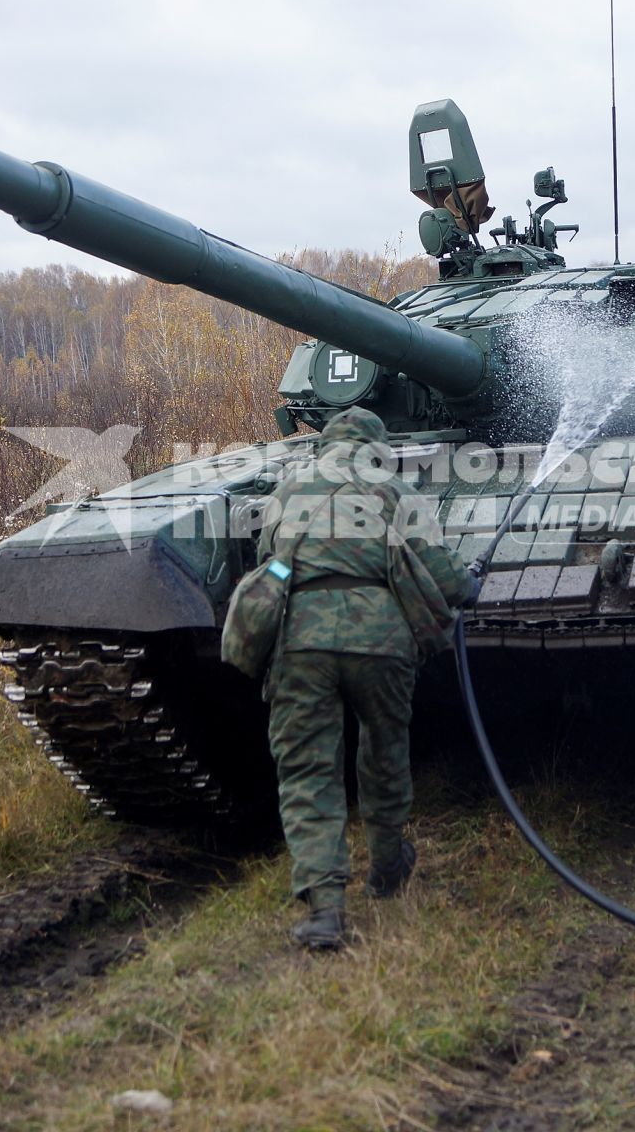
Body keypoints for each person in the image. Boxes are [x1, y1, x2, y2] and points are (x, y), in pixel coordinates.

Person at [255, 405, 469, 951]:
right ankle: (388, 866)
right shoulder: (390, 489)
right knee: (384, 750)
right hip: (382, 642)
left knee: (307, 769)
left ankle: (326, 909)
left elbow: (267, 562)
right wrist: (470, 581)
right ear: (377, 447)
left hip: (301, 640)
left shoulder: (288, 488)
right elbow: (442, 576)